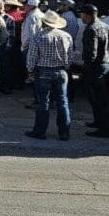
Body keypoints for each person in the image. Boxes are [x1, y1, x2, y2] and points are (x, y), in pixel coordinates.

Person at [24, 9, 73, 141]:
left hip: (44, 71)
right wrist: (65, 67)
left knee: (43, 102)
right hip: (61, 71)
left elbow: (32, 57)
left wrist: (30, 71)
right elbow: (69, 57)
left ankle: (40, 131)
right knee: (63, 101)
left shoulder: (38, 37)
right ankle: (64, 132)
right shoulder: (66, 36)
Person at [79, 4, 109, 138]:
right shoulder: (106, 26)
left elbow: (91, 53)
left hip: (95, 67)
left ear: (88, 15)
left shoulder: (91, 29)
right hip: (106, 64)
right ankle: (98, 122)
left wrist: (87, 68)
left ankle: (104, 130)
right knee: (96, 98)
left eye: (82, 15)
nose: (81, 17)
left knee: (99, 99)